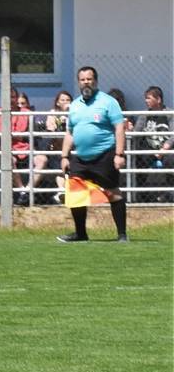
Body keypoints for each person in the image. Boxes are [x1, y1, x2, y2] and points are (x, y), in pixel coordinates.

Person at [57, 66, 128, 243]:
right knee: (76, 195)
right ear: (78, 82)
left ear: (95, 81)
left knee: (113, 193)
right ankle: (81, 234)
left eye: (89, 79)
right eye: (82, 79)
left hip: (104, 155)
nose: (86, 82)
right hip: (80, 158)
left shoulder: (108, 101)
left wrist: (119, 154)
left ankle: (122, 235)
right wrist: (64, 156)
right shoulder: (74, 105)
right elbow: (69, 133)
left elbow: (119, 128)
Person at [0, 87, 31, 205]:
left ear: (16, 98)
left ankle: (28, 190)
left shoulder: (26, 113)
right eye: (7, 97)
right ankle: (22, 191)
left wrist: (18, 136)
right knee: (9, 159)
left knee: (42, 159)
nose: (10, 100)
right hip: (6, 150)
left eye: (13, 97)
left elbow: (36, 133)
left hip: (25, 149)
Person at [133, 86, 172, 203]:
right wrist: (129, 130)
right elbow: (136, 132)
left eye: (149, 98)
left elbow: (173, 135)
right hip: (149, 150)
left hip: (167, 150)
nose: (146, 101)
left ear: (158, 99)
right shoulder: (144, 115)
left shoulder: (169, 114)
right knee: (138, 159)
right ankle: (142, 195)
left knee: (171, 161)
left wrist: (164, 149)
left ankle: (170, 194)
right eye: (146, 98)